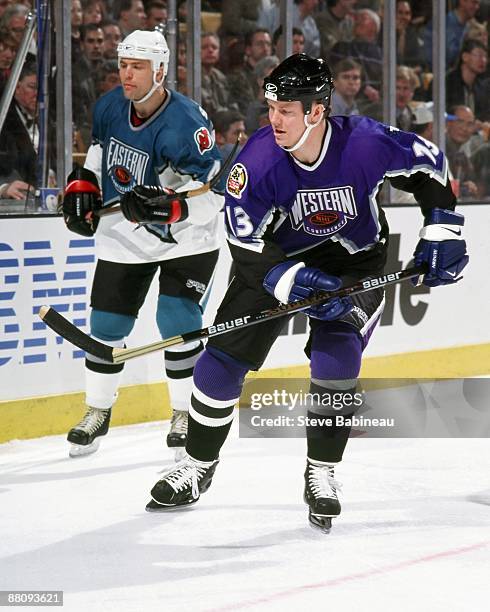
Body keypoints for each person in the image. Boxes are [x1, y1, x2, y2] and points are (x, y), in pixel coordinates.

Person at [126, 54, 468, 531]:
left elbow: (429, 167)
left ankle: (321, 471)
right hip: (273, 259)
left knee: (337, 352)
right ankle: (198, 465)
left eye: (286, 110)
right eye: (271, 109)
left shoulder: (365, 143)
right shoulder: (258, 162)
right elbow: (244, 241)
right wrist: (289, 279)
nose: (274, 120)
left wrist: (442, 229)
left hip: (355, 259)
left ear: (316, 111)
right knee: (219, 364)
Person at [61, 29, 224, 459]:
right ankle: (97, 410)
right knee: (107, 325)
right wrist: (83, 184)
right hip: (124, 235)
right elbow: (97, 154)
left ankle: (183, 414)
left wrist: (171, 209)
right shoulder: (110, 106)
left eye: (137, 66)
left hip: (186, 239)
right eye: (123, 64)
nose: (127, 74)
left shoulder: (188, 123)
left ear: (160, 70)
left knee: (176, 321)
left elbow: (214, 193)